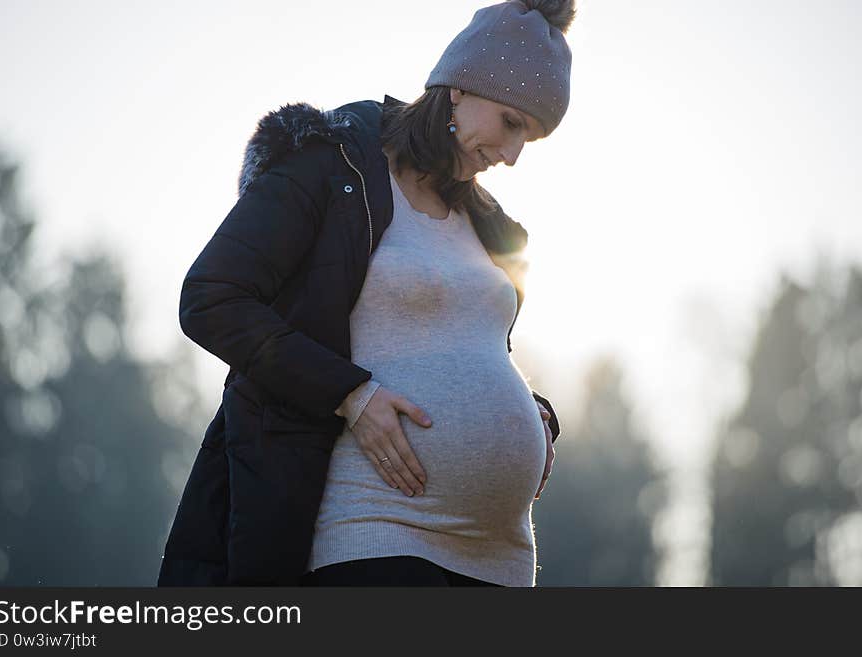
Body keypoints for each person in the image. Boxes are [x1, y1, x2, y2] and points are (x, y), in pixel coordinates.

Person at [158, 0, 574, 588]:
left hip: (498, 562)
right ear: (458, 89)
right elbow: (211, 297)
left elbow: (470, 345)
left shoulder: (488, 223)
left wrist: (531, 418)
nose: (511, 154)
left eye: (527, 136)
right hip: (373, 535)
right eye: (510, 122)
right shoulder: (331, 164)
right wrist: (352, 395)